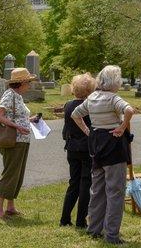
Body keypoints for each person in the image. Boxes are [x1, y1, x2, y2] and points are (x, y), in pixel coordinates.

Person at [71, 65, 134, 245]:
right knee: (115, 191)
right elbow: (129, 111)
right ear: (115, 81)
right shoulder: (114, 98)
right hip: (113, 144)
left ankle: (94, 228)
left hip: (96, 143)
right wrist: (122, 127)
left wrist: (88, 131)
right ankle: (112, 235)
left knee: (97, 189)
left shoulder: (92, 97)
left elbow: (76, 114)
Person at [0, 67, 38, 219]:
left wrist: (30, 120)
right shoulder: (9, 94)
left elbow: (17, 116)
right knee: (10, 173)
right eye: (28, 82)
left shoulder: (18, 96)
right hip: (13, 140)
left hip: (22, 140)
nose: (29, 85)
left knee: (17, 174)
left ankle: (10, 207)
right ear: (22, 82)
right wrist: (17, 126)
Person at [60, 73, 96, 228]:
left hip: (72, 147)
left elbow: (65, 129)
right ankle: (81, 220)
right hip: (86, 147)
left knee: (73, 183)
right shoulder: (89, 106)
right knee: (85, 184)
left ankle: (65, 218)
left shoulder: (68, 105)